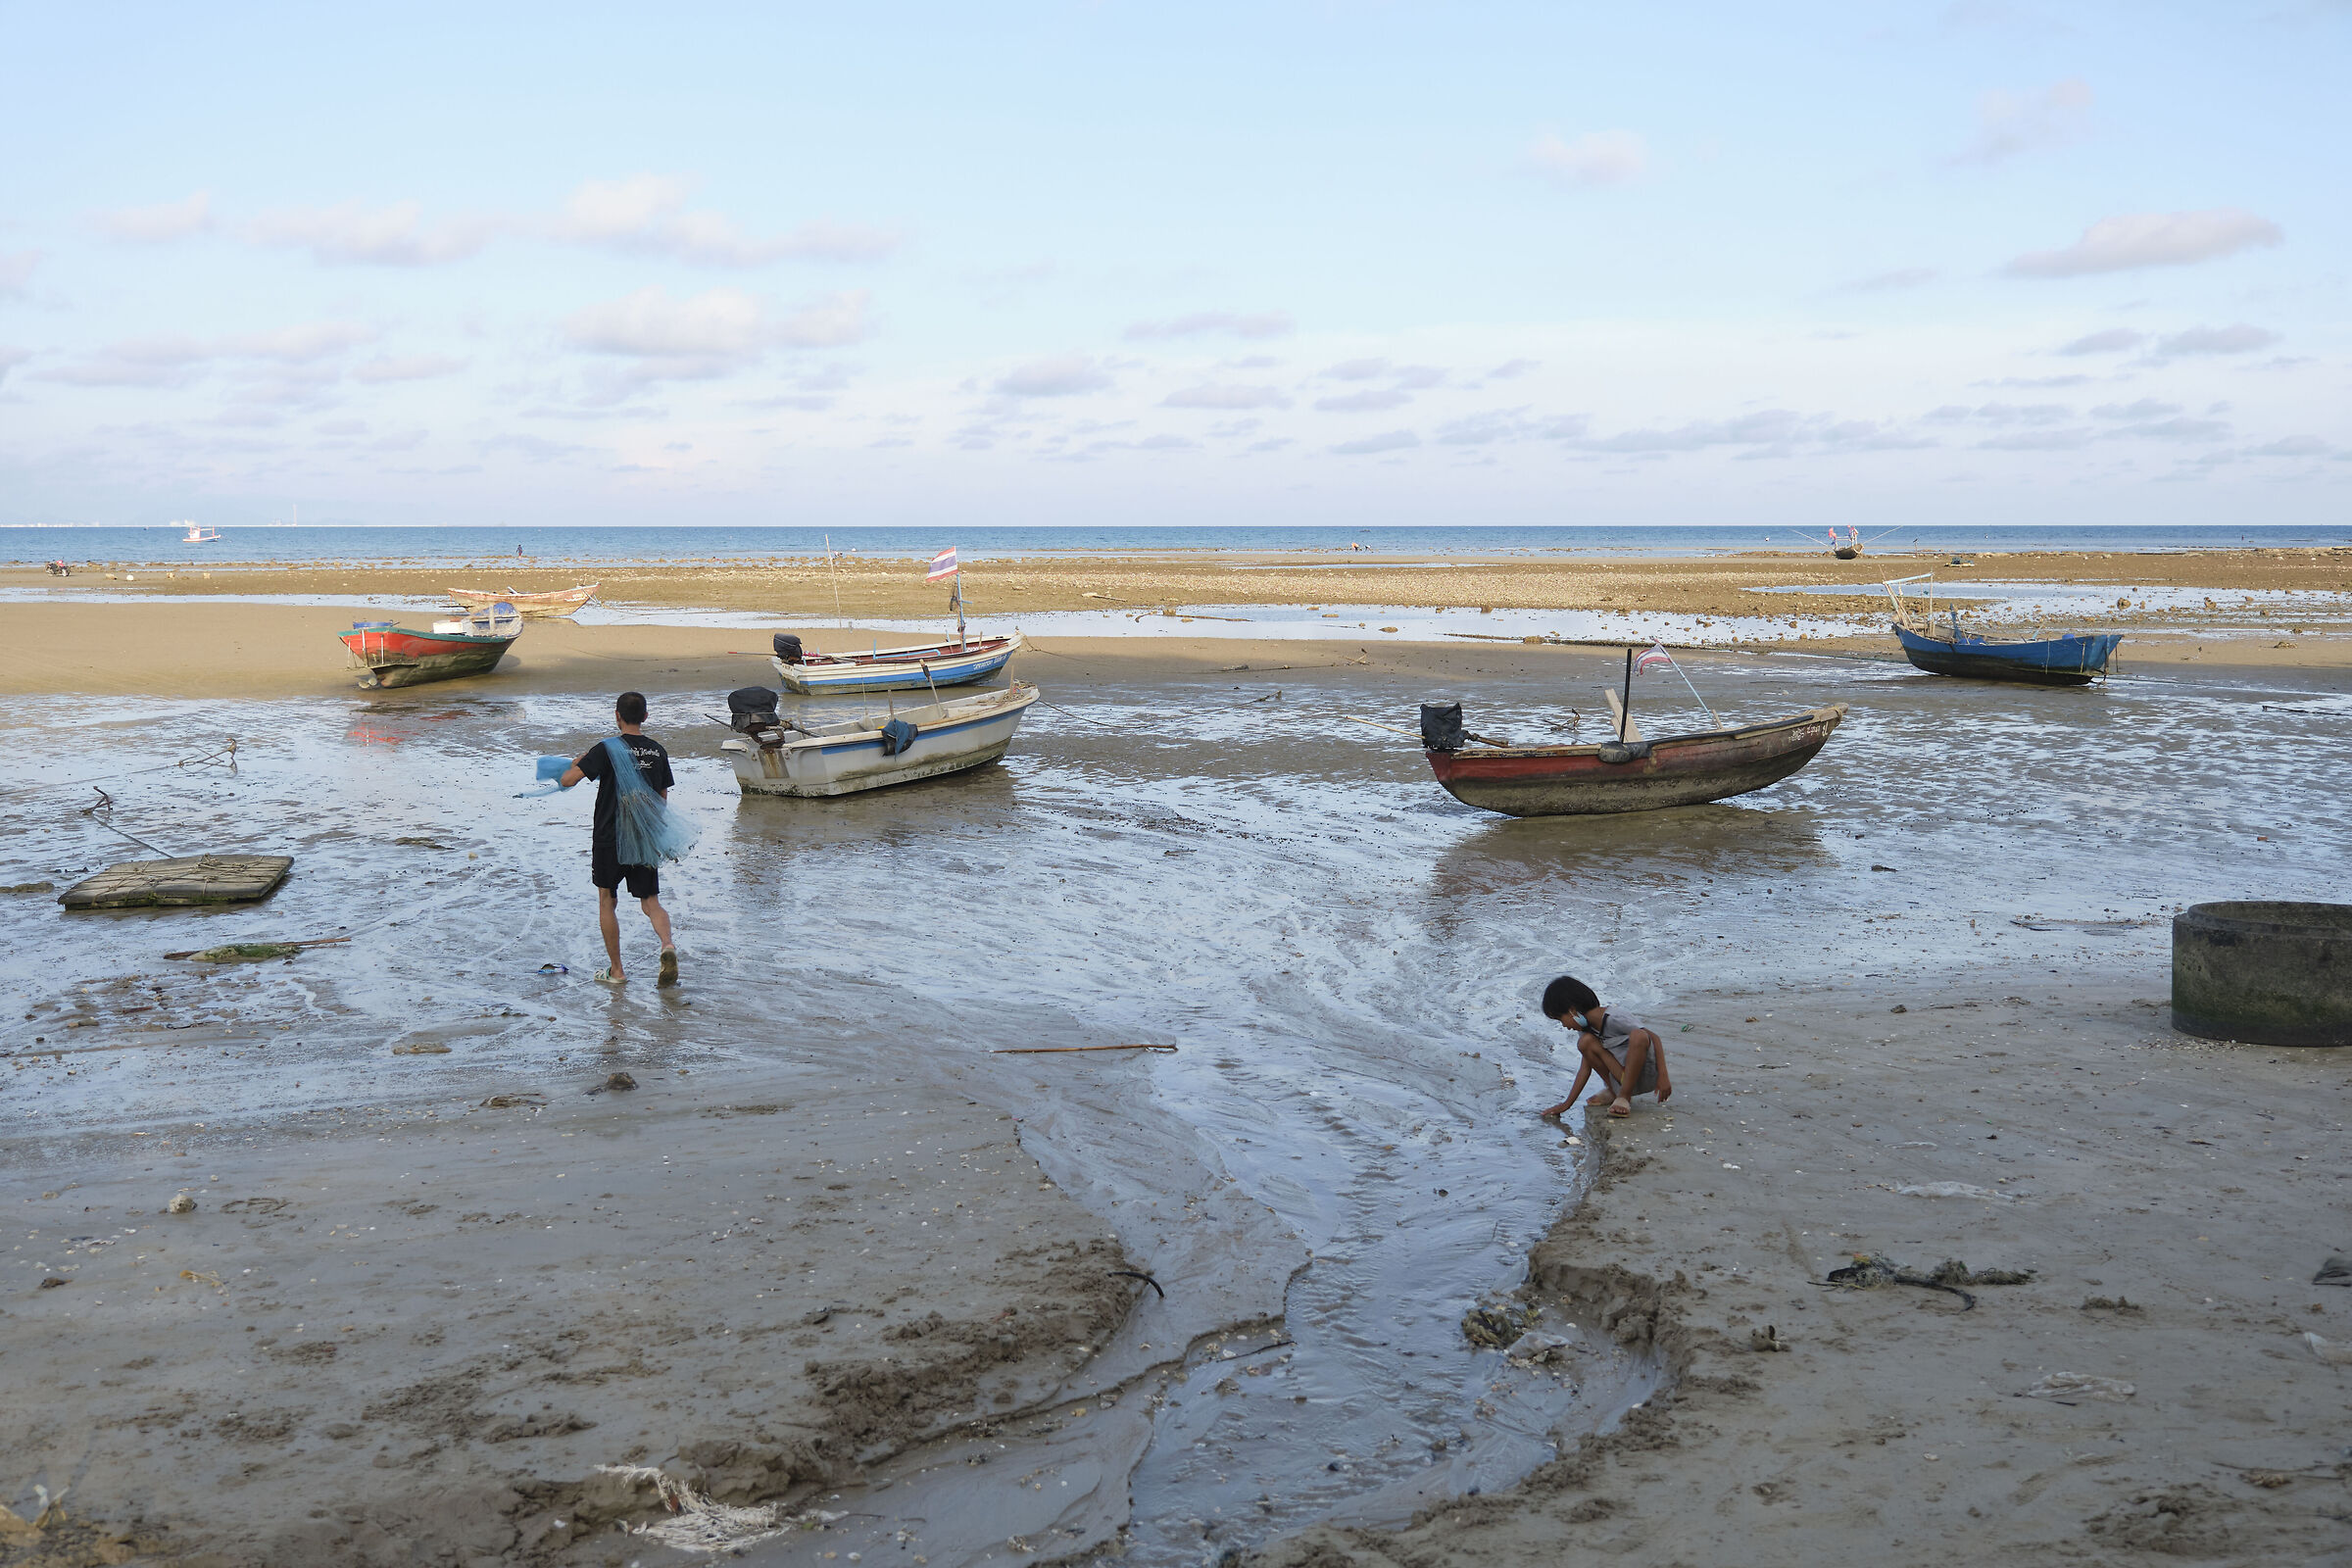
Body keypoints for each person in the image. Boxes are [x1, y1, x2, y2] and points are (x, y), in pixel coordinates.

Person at [558, 691, 679, 987]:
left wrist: (576, 764)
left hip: (609, 836)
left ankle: (617, 971)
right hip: (643, 835)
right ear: (645, 716)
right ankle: (667, 945)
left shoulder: (606, 749)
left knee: (607, 900)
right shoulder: (657, 751)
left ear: (617, 716)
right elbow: (662, 798)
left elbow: (567, 781)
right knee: (651, 902)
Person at [1535, 975, 1671, 1121]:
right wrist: (1566, 1105)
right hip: (1621, 1077)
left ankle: (1624, 1096)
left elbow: (1654, 1038)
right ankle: (1615, 1092)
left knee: (1639, 1035)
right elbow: (1585, 1069)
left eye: (1560, 1020)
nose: (1564, 1026)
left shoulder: (1614, 1018)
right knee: (1585, 1042)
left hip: (1643, 1075)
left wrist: (1663, 1077)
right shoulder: (1586, 1029)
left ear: (1572, 1011)